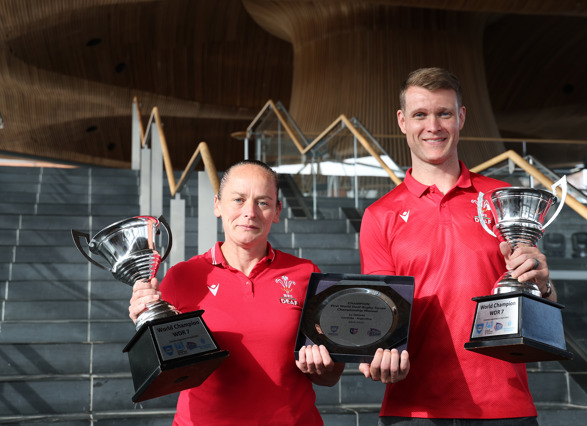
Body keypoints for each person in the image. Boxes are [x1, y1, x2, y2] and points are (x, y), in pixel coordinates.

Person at [358, 67, 557, 425]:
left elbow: (543, 309)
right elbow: (381, 315)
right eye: (420, 114)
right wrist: (372, 352)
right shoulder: (379, 214)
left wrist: (541, 285)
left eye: (444, 113)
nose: (432, 126)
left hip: (503, 407)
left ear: (461, 117)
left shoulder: (503, 200)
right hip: (413, 407)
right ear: (402, 121)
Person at [129, 159, 345, 425]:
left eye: (263, 202)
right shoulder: (182, 277)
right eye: (239, 200)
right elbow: (161, 369)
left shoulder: (305, 273)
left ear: (277, 212)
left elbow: (330, 377)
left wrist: (322, 366)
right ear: (218, 205)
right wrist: (144, 319)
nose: (250, 212)